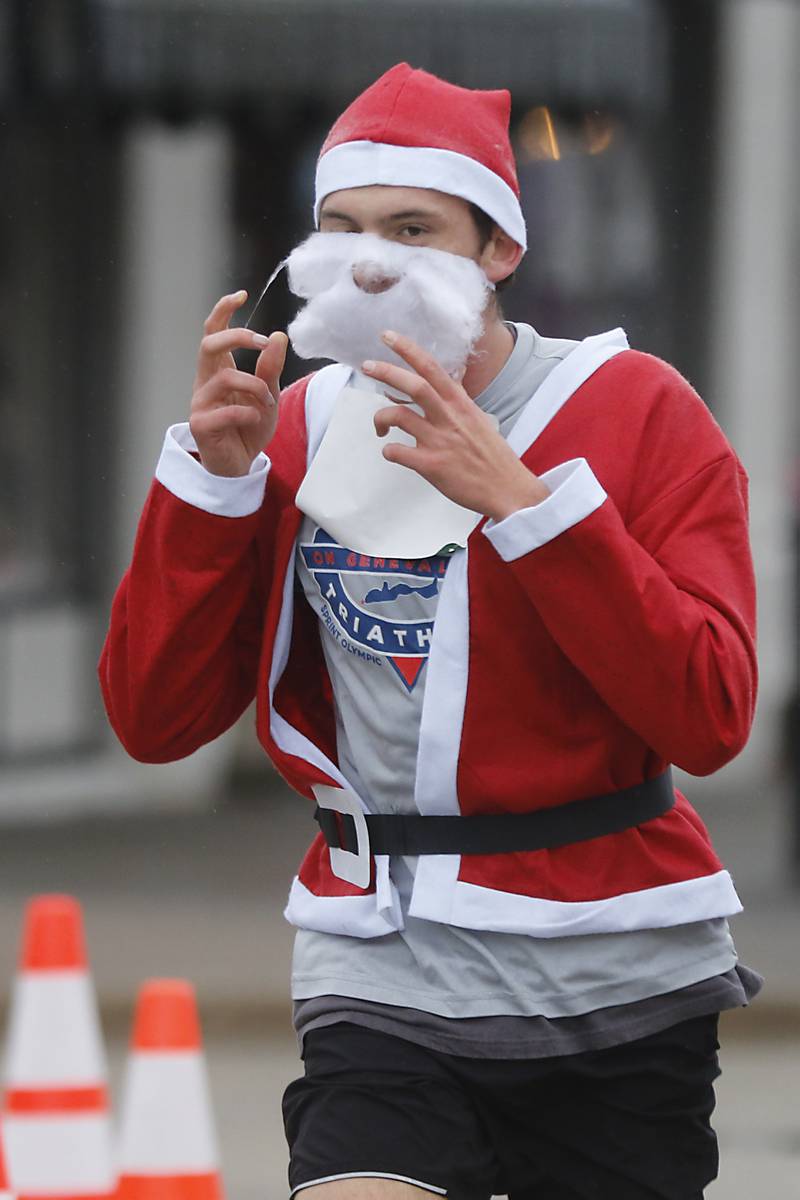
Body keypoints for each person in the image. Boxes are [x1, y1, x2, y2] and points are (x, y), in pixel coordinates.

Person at [100, 64, 761, 1200]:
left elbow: (708, 714)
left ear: (497, 249)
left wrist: (527, 505)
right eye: (342, 228)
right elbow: (155, 722)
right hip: (380, 968)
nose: (372, 259)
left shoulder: (638, 410)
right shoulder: (294, 427)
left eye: (414, 228)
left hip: (614, 971)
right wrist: (212, 485)